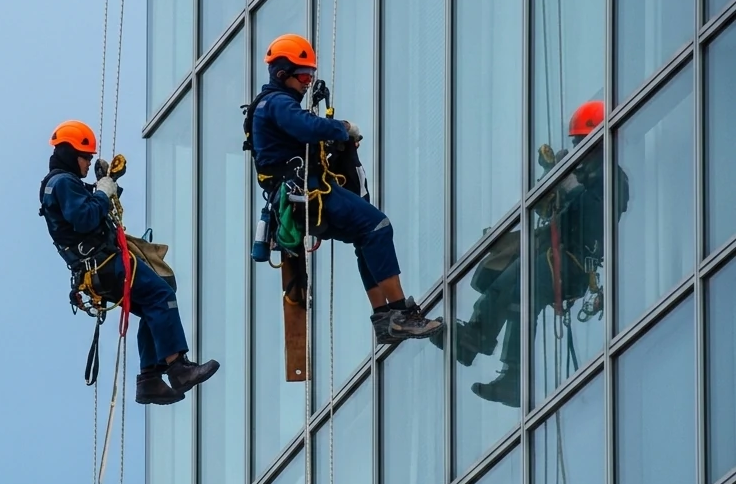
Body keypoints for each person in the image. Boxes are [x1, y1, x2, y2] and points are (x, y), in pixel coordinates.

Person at [246, 33, 444, 345]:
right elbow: (308, 128)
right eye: (302, 75)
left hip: (302, 197)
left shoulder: (271, 106)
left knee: (366, 236)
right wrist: (342, 128)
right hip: (308, 193)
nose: (307, 82)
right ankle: (398, 315)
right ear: (282, 73)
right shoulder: (277, 103)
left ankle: (385, 318)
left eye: (310, 76)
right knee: (377, 226)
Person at [442, 99, 629, 407]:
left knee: (521, 289)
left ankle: (500, 362)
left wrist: (566, 182)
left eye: (581, 142)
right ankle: (479, 343)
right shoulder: (583, 176)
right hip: (553, 255)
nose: (577, 148)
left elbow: (592, 218)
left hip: (572, 264)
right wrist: (553, 181)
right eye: (576, 143)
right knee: (509, 286)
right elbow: (549, 208)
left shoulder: (612, 179)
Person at [39, 120, 219, 405]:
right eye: (85, 157)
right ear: (70, 153)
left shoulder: (62, 185)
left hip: (99, 271)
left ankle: (149, 380)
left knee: (152, 304)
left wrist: (107, 184)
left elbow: (90, 207)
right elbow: (85, 217)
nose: (88, 162)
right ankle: (178, 368)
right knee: (161, 294)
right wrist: (101, 191)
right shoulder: (62, 183)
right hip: (105, 266)